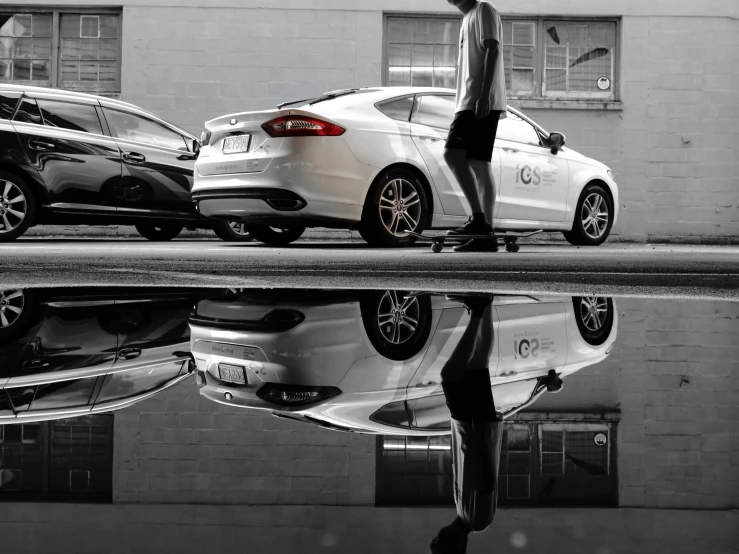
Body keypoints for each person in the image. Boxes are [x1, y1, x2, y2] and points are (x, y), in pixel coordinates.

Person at [429, 294, 503, 553]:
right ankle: (478, 310)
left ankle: (484, 304)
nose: (437, 537)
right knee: (449, 375)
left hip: (470, 429)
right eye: (440, 544)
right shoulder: (478, 521)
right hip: (473, 430)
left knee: (477, 365)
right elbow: (485, 482)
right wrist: (481, 434)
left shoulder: (464, 513)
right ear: (456, 546)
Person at [443, 0, 507, 253]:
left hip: (477, 100)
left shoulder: (484, 9)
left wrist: (484, 95)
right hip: (471, 100)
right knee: (479, 164)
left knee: (452, 155)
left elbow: (493, 50)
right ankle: (486, 234)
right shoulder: (467, 17)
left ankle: (479, 221)